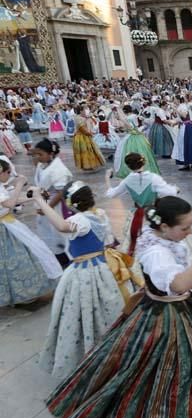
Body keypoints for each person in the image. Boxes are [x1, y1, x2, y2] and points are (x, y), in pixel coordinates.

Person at [46, 196, 192, 418]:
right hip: (168, 315)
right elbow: (180, 282)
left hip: (164, 309)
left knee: (148, 366)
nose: (190, 232)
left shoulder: (160, 238)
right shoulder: (157, 253)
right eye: (185, 228)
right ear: (164, 226)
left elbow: (188, 268)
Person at [32, 182, 134, 379]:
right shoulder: (99, 213)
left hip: (85, 271)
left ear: (71, 202)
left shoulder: (80, 220)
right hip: (102, 265)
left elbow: (62, 225)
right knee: (104, 308)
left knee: (83, 309)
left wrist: (39, 201)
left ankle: (90, 352)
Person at [0, 162, 62, 307]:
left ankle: (24, 293)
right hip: (4, 228)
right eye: (8, 173)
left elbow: (11, 200)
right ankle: (21, 293)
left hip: (8, 224)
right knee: (14, 261)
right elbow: (9, 203)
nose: (9, 176)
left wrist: (34, 197)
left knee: (25, 256)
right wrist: (19, 184)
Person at [105, 153, 179, 255]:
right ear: (143, 162)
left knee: (136, 239)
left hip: (137, 214)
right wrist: (176, 189)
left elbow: (111, 194)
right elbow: (170, 192)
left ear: (128, 166)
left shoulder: (127, 181)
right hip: (154, 212)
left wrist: (107, 178)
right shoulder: (153, 178)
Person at [32, 138, 73, 267]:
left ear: (51, 154)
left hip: (56, 207)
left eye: (40, 154)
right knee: (47, 232)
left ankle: (65, 260)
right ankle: (56, 257)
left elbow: (61, 192)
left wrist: (47, 208)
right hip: (45, 204)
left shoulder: (58, 169)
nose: (37, 157)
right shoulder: (43, 164)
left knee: (58, 233)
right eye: (36, 154)